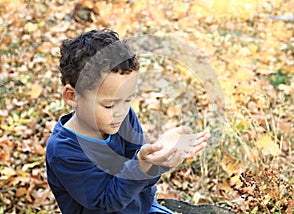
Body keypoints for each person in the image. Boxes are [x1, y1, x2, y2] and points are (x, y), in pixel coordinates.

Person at [46, 29, 209, 214]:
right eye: (109, 105)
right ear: (73, 96)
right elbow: (108, 201)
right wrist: (141, 165)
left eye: (127, 100)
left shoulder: (123, 118)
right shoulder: (64, 151)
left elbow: (141, 174)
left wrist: (160, 158)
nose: (121, 112)